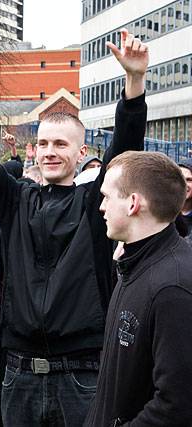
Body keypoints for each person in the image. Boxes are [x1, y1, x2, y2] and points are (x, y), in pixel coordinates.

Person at [0, 24, 149, 426]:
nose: (50, 152)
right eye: (43, 144)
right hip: (20, 374)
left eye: (61, 144)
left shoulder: (94, 205)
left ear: (82, 152)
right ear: (32, 148)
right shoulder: (13, 201)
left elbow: (126, 152)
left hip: (83, 375)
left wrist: (134, 83)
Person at [86, 151, 192, 425]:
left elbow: (176, 404)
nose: (101, 207)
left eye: (107, 197)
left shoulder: (173, 287)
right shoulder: (133, 264)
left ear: (133, 203)